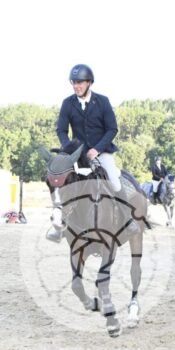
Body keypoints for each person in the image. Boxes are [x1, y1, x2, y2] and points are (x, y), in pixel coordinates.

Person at [47, 63, 128, 242]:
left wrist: (97, 149)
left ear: (89, 83)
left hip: (101, 151)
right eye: (73, 83)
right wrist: (70, 150)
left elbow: (112, 129)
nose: (76, 86)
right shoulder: (67, 103)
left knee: (114, 180)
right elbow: (61, 130)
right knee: (62, 182)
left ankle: (128, 220)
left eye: (80, 82)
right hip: (77, 155)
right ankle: (58, 226)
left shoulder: (103, 101)